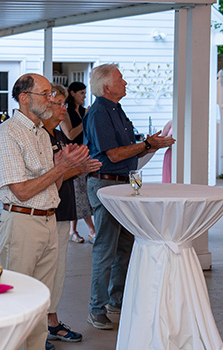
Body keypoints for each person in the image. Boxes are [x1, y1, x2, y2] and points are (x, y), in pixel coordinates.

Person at [0, 73, 91, 350]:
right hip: (22, 221)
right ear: (24, 98)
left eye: (51, 94)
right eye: (44, 94)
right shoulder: (7, 134)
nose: (51, 99)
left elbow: (53, 186)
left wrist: (63, 167)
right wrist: (61, 168)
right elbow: (21, 191)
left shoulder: (41, 134)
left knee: (40, 298)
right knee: (18, 297)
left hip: (47, 219)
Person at [82, 63, 175, 330]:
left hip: (122, 184)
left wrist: (150, 145)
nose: (126, 83)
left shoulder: (116, 109)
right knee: (106, 247)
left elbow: (129, 150)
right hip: (106, 184)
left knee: (125, 245)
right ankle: (96, 308)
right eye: (121, 79)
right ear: (107, 86)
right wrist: (147, 144)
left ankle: (116, 300)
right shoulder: (100, 112)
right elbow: (113, 154)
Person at [44, 85, 102, 345]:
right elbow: (45, 179)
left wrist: (80, 167)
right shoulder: (38, 138)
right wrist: (73, 168)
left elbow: (65, 170)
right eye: (58, 103)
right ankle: (33, 330)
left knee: (57, 271)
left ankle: (52, 323)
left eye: (64, 103)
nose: (63, 108)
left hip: (62, 209)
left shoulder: (57, 135)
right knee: (40, 273)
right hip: (43, 213)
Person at [60, 82, 96, 244]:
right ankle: (92, 229)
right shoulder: (65, 111)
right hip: (72, 156)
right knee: (80, 194)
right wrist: (86, 119)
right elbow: (71, 134)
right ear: (72, 93)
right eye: (81, 93)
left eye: (85, 93)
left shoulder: (83, 111)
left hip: (85, 154)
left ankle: (73, 230)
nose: (84, 96)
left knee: (79, 194)